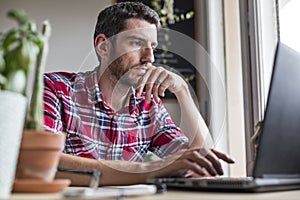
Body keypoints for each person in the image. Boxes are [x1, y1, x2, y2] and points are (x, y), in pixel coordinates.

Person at [43, 1, 234, 186]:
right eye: (136, 43)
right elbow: (45, 163)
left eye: (152, 47)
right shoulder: (57, 89)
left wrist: (182, 90)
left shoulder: (149, 106)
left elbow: (204, 167)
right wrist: (151, 169)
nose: (149, 57)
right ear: (103, 46)